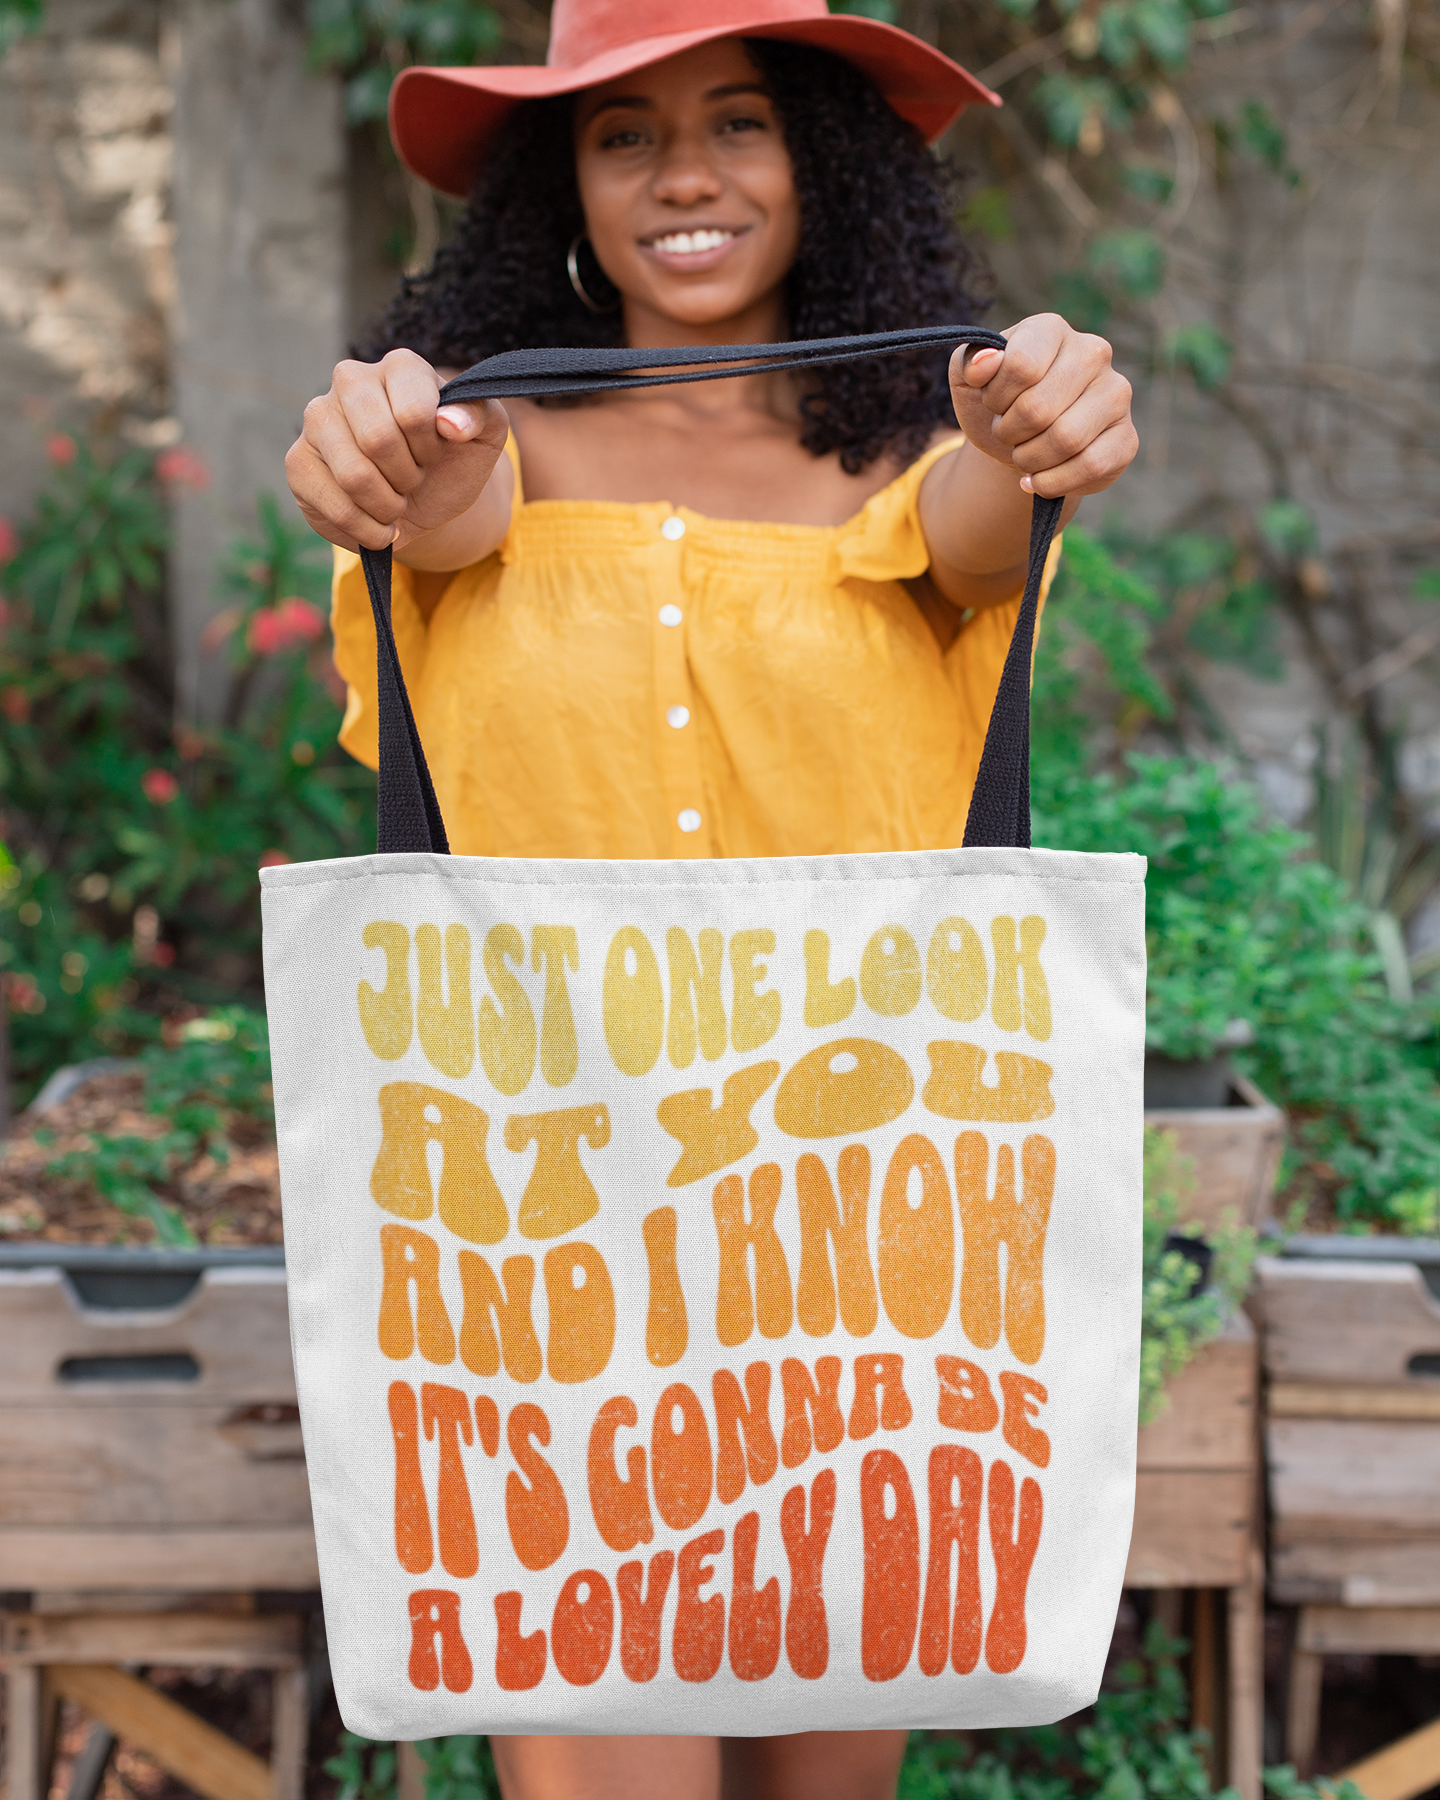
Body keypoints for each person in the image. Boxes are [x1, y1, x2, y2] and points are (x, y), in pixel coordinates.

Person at [286, 2, 1137, 1794]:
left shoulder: (915, 455)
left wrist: (1040, 429)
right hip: (550, 1264)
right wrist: (392, 464)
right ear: (565, 188)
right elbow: (440, 519)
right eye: (625, 134)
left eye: (739, 122)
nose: (685, 174)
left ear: (819, 163)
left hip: (861, 1250)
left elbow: (983, 520)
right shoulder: (483, 443)